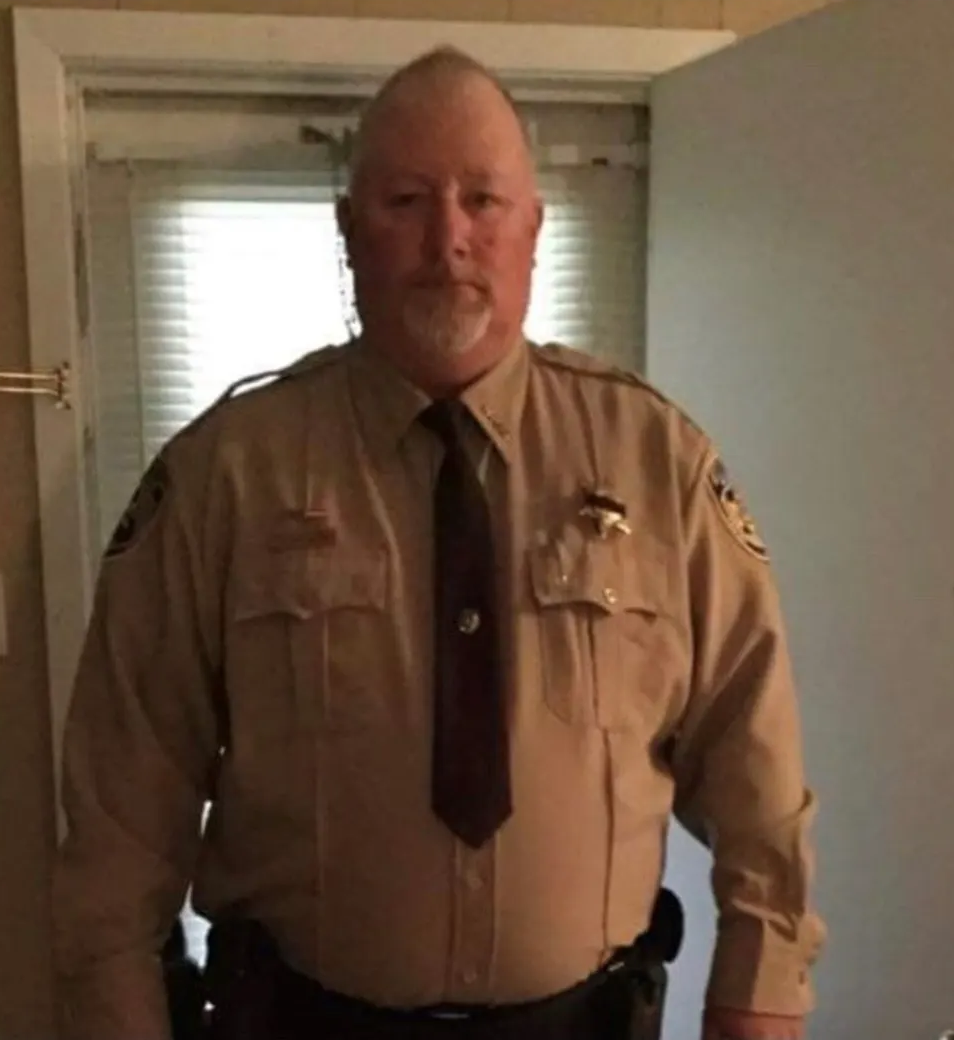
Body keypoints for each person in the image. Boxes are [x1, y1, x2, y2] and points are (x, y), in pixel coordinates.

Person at [53, 46, 825, 1040]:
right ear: (348, 232)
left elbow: (757, 771)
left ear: (533, 230)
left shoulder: (657, 464)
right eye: (406, 200)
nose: (447, 238)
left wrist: (761, 995)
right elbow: (120, 814)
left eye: (482, 200)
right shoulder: (226, 474)